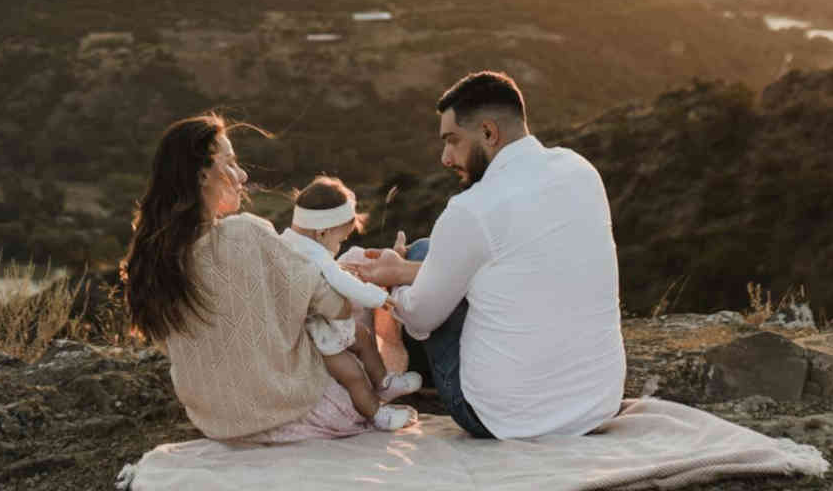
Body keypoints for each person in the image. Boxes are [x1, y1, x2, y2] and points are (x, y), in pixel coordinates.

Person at [355, 71, 626, 439]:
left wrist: (392, 285)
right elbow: (524, 265)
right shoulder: (581, 170)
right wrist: (405, 271)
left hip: (501, 417)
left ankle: (390, 381)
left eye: (453, 141)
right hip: (596, 405)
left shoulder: (472, 209)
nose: (446, 158)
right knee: (437, 258)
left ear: (488, 133)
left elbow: (421, 316)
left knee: (425, 252)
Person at [120, 113, 400, 444]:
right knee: (356, 276)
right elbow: (335, 307)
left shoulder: (157, 260)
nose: (242, 174)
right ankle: (391, 385)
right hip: (302, 413)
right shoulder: (245, 234)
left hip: (220, 423)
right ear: (202, 175)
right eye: (231, 163)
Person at [279, 176, 421, 430]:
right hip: (318, 337)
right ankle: (377, 413)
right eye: (339, 240)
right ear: (322, 232)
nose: (339, 245)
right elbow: (342, 282)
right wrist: (380, 298)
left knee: (363, 336)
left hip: (327, 324)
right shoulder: (316, 255)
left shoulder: (288, 242)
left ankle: (384, 382)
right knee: (353, 375)